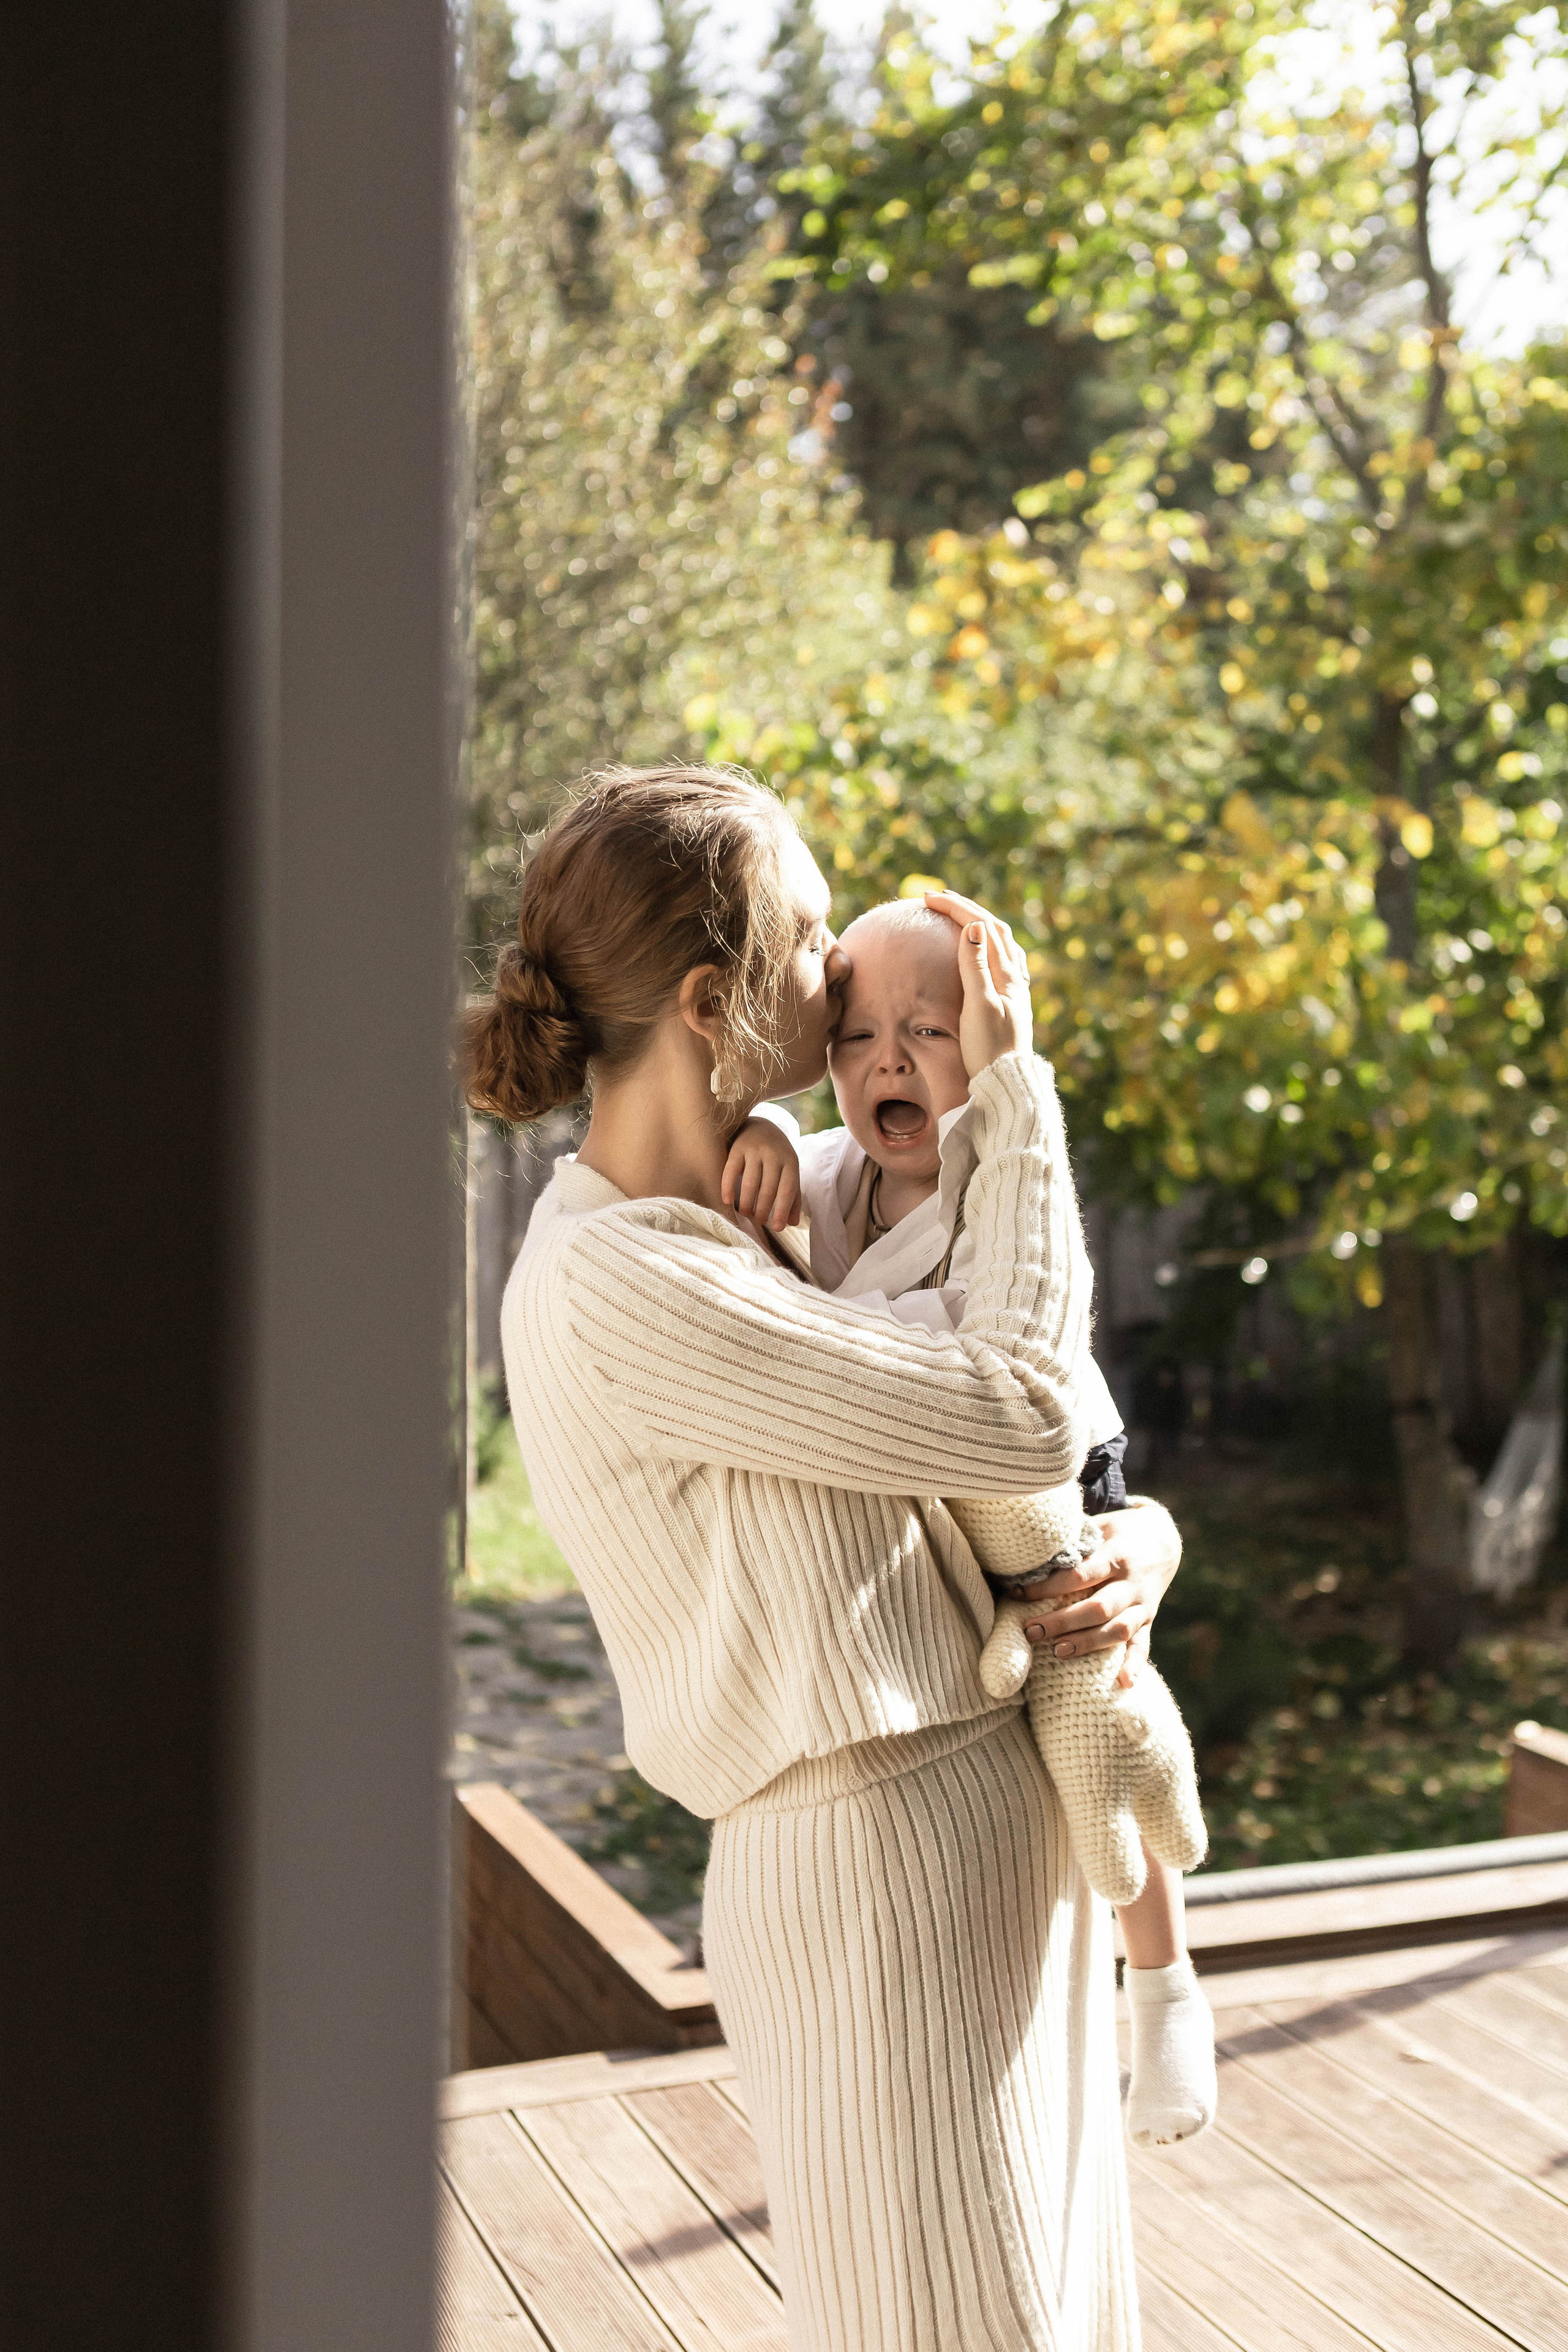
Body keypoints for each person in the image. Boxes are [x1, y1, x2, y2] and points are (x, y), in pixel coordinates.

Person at [466, 764, 1185, 2352]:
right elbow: (1016, 1409)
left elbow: (976, 1479)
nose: (843, 976)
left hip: (982, 1837)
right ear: (719, 998)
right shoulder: (619, 1285)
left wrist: (1141, 1539)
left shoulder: (751, 1223)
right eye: (812, 941)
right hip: (878, 1884)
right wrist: (1017, 1101)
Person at [723, 895, 1217, 2149]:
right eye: (853, 1038)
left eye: (930, 1031)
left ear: (989, 1054)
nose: (885, 1061)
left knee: (1095, 1714)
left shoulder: (996, 1185)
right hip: (940, 1503)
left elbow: (979, 1372)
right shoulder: (831, 1179)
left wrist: (1144, 1538)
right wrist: (765, 1139)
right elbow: (787, 1293)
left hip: (1056, 1474)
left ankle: (1161, 1983)